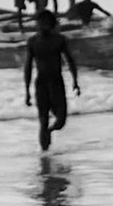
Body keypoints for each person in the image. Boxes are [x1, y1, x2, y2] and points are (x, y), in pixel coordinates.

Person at [23, 10, 80, 151]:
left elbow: (70, 61)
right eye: (40, 22)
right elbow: (28, 66)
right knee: (43, 121)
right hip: (41, 83)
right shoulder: (33, 42)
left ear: (52, 24)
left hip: (56, 82)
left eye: (46, 22)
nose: (43, 25)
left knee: (60, 121)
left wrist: (75, 81)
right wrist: (27, 92)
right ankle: (45, 156)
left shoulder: (59, 40)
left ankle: (49, 131)